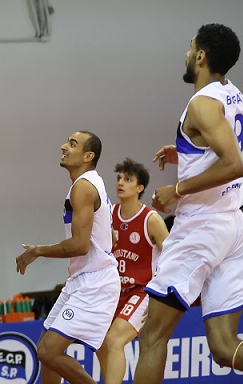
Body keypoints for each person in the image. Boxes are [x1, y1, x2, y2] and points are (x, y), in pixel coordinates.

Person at [134, 24, 243, 382]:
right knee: (226, 349)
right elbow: (228, 149)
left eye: (190, 47)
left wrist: (177, 189)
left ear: (201, 57)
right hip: (233, 226)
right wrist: (186, 151)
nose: (185, 53)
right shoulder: (233, 94)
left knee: (152, 337)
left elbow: (234, 163)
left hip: (201, 228)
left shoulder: (202, 104)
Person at [16, 131, 118, 384]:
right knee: (47, 351)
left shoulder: (83, 187)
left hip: (96, 282)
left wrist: (37, 251)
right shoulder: (87, 183)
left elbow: (80, 245)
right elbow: (109, 238)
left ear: (88, 155)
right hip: (83, 279)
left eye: (72, 144)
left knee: (48, 351)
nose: (63, 146)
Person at [95, 159, 168, 384]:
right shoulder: (108, 214)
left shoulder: (151, 219)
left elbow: (173, 258)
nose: (120, 183)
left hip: (142, 290)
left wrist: (162, 296)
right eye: (119, 178)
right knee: (99, 341)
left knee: (115, 339)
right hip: (113, 290)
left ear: (140, 188)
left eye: (128, 179)